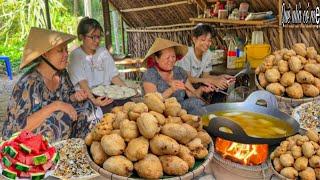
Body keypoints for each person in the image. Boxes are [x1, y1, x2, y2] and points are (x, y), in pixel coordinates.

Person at [2, 27, 100, 142]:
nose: (66, 54)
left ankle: (79, 148)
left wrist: (75, 96)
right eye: (60, 51)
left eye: (66, 50)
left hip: (56, 131)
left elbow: (67, 97)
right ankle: (53, 156)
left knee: (87, 106)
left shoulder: (62, 74)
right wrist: (56, 105)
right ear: (45, 54)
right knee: (60, 117)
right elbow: (17, 128)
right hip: (23, 139)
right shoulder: (28, 83)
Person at [68, 17, 126, 112]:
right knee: (108, 112)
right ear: (81, 37)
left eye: (98, 37)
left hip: (107, 93)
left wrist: (127, 91)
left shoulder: (103, 52)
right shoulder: (76, 55)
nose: (97, 40)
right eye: (92, 37)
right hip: (87, 96)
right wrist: (94, 100)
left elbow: (114, 77)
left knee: (129, 105)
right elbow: (83, 84)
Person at [142, 38, 214, 115]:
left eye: (173, 56)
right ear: (157, 59)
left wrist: (202, 89)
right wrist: (171, 89)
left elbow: (192, 94)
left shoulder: (179, 71)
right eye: (167, 57)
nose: (171, 60)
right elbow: (152, 103)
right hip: (160, 113)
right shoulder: (150, 74)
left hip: (180, 109)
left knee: (197, 102)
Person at [176, 24, 235, 103]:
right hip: (181, 86)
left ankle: (214, 107)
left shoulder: (208, 54)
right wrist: (212, 81)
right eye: (203, 40)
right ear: (194, 39)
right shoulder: (187, 54)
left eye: (209, 40)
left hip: (194, 85)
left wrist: (221, 77)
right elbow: (187, 78)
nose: (207, 43)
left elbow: (205, 76)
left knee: (222, 85)